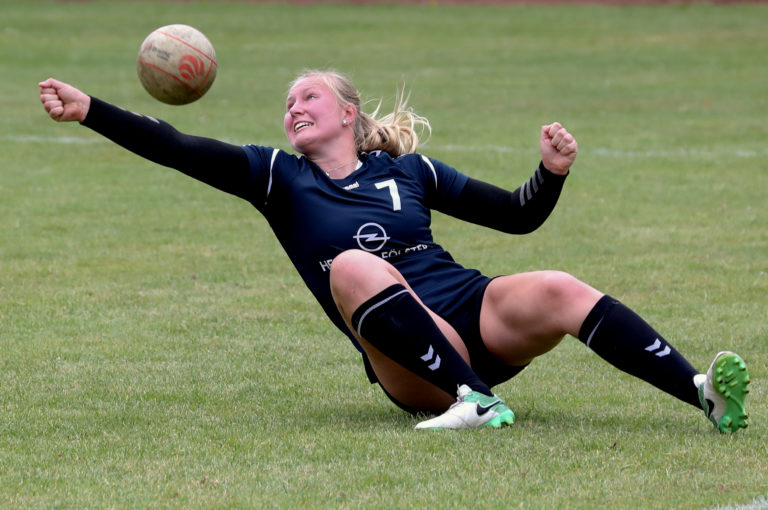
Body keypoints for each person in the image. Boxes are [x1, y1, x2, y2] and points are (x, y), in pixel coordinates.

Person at [39, 70, 750, 432]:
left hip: (471, 313)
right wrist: (91, 108)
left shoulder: (409, 172)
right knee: (354, 266)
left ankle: (701, 395)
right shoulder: (276, 177)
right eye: (287, 102)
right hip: (414, 361)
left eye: (308, 96)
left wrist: (551, 173)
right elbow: (178, 147)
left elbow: (516, 217)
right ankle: (473, 401)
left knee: (559, 284)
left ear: (347, 113)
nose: (293, 108)